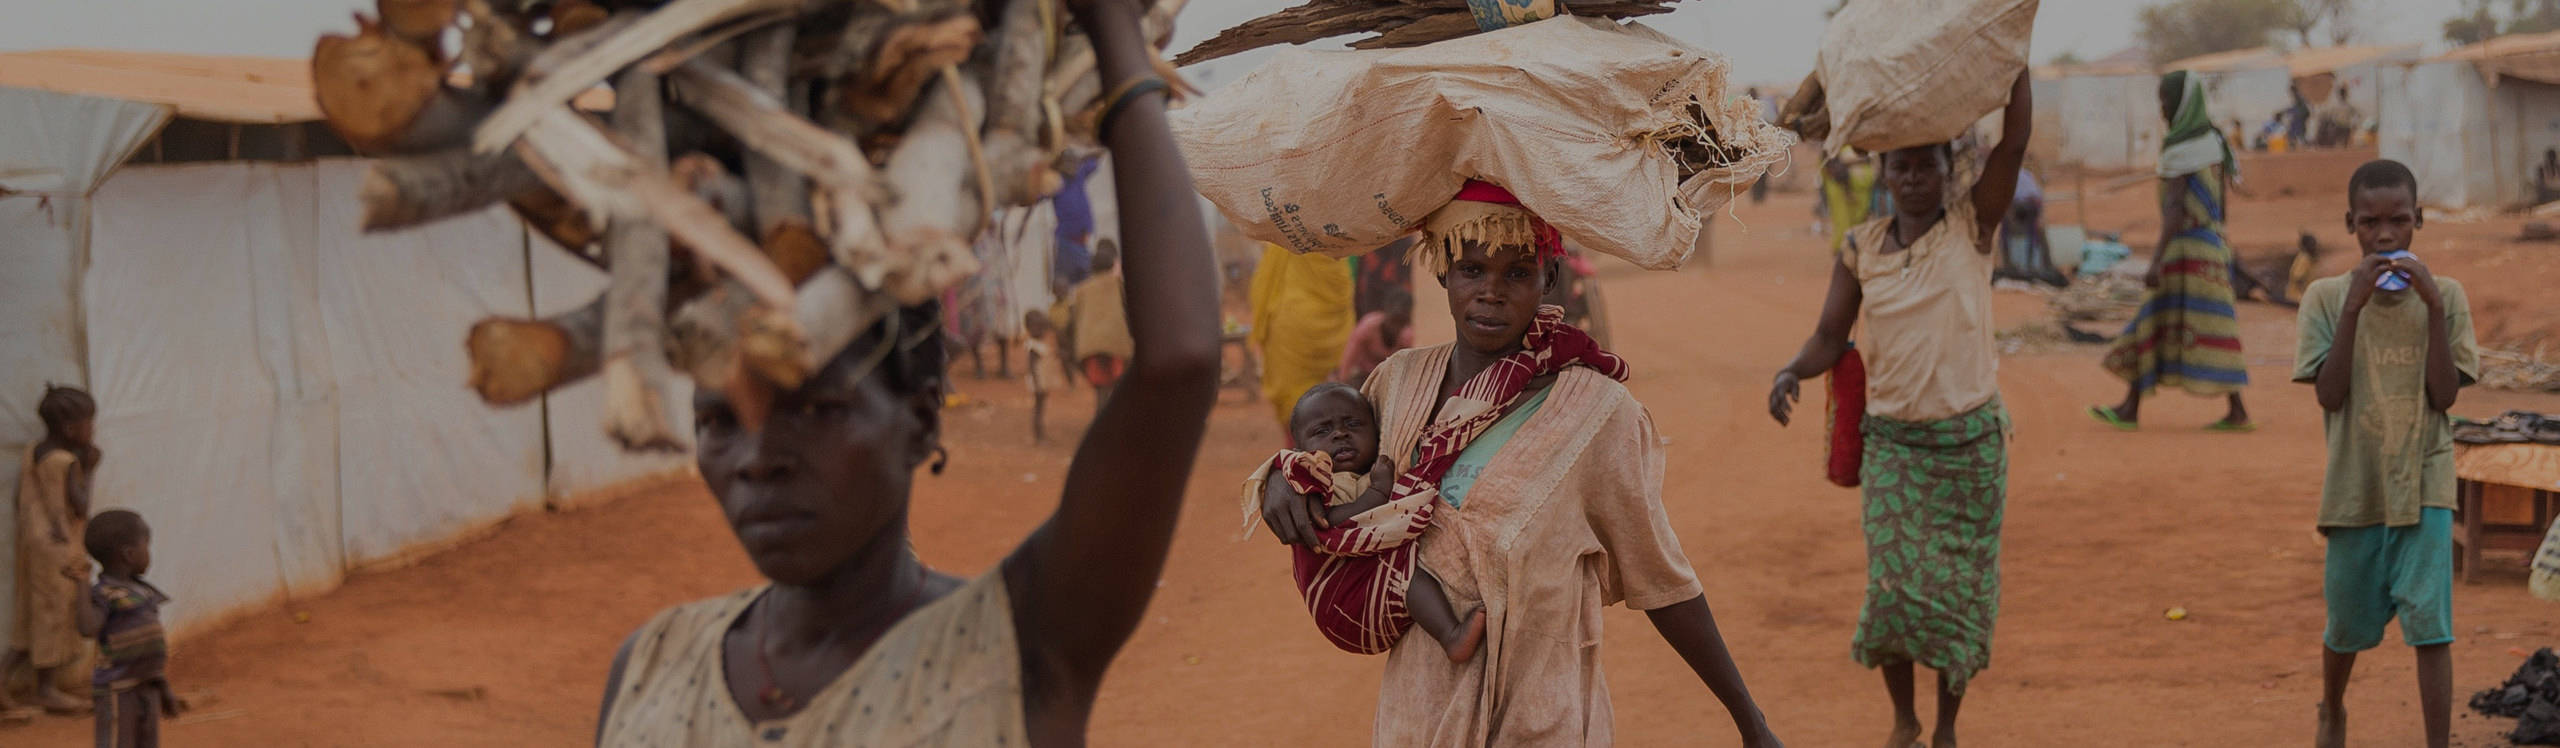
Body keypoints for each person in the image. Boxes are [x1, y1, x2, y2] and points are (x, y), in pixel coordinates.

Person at [591, 1, 1222, 743]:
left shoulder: (1018, 647)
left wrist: (1115, 37)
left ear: (921, 419)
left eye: (818, 411)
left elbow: (1179, 363)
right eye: (719, 422)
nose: (759, 461)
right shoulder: (653, 669)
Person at [1261, 180, 1782, 747]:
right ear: (1442, 272)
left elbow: (1663, 578)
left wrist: (1751, 723)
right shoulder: (1398, 383)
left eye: (1517, 272)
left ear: (1550, 279)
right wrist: (1277, 479)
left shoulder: (1597, 414)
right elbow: (1334, 469)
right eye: (1471, 270)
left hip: (1542, 719)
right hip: (1418, 721)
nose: (1491, 292)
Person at [1767, 70, 2031, 748]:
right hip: (1894, 446)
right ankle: (1904, 719)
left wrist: (2015, 63)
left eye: (1926, 164)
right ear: (1883, 173)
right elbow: (1831, 334)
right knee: (1892, 592)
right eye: (1901, 165)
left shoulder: (1973, 227)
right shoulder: (1859, 250)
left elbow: (2014, 143)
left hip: (1971, 446)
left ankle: (1944, 727)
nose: (1913, 177)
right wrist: (1794, 370)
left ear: (1949, 171)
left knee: (1959, 598)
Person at [2297, 160, 2478, 748]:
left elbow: (2444, 395)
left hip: (2425, 476)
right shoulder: (2326, 298)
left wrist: (2430, 307)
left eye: (2398, 222)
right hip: (2356, 485)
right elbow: (2329, 393)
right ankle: (2333, 707)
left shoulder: (2446, 296)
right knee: (2345, 624)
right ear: (2350, 224)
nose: (2384, 236)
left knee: (2431, 627)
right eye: (2369, 223)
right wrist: (2353, 306)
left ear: (2418, 221)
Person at [1242, 383, 1485, 661]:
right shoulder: (1316, 480)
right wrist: (1378, 494)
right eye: (1322, 431)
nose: (1340, 434)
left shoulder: (1379, 467)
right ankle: (1451, 635)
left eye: (1354, 424)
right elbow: (1326, 525)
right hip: (1344, 600)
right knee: (1407, 576)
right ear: (1300, 449)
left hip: (1371, 591)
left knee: (1413, 567)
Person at [2092, 71, 2254, 433]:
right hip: (2212, 248)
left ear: (2182, 103)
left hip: (2185, 251)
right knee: (2214, 325)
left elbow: (2175, 209)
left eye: (2166, 101)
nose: (2162, 110)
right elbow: (2222, 204)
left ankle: (2132, 407)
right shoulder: (2215, 142)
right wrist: (2222, 244)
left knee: (2152, 318)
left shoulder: (2182, 149)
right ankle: (2232, 409)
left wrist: (2155, 261)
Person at [10, 384, 100, 716]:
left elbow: (17, 497)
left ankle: (6, 681)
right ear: (71, 429)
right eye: (90, 423)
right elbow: (80, 507)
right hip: (57, 548)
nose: (93, 430)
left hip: (34, 543)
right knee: (53, 615)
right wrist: (89, 469)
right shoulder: (64, 461)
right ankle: (46, 689)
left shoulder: (34, 450)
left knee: (30, 617)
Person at [78, 510, 182, 748]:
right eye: (147, 544)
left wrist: (163, 686)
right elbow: (87, 628)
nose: (149, 552)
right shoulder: (105, 593)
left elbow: (148, 651)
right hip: (117, 690)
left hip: (147, 686)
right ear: (129, 554)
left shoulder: (144, 593)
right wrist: (82, 584)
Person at [1248, 243, 1356, 438]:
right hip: (1329, 317)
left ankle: (1297, 455)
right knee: (1331, 395)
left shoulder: (1288, 227)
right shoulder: (1340, 223)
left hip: (1290, 318)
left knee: (1292, 397)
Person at [1053, 239, 1133, 404]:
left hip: (1089, 349)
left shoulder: (1082, 290)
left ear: (1092, 267)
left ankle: (1102, 416)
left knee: (1101, 390)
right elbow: (1131, 314)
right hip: (1118, 348)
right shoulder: (1120, 286)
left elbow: (1071, 322)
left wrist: (1070, 349)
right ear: (1112, 265)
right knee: (1119, 386)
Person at [1336, 289, 1414, 386]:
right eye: (1394, 319)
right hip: (1361, 375)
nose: (1395, 325)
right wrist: (1342, 382)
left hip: (1387, 380)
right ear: (1386, 313)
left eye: (1399, 321)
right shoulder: (1368, 326)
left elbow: (1405, 369)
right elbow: (1349, 358)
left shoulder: (1406, 336)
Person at [1822, 150, 1885, 253]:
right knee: (1843, 222)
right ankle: (1842, 254)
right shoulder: (1836, 144)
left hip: (1863, 187)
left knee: (1861, 222)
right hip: (1843, 188)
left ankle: (1856, 252)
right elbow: (1830, 158)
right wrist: (1847, 189)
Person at [1022, 310, 1057, 444]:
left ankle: (1041, 434)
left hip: (1042, 381)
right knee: (1038, 409)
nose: (1042, 331)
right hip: (1038, 382)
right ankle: (1039, 436)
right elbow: (1032, 368)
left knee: (1040, 408)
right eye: (1039, 328)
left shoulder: (1039, 343)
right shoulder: (1033, 346)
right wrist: (1037, 384)